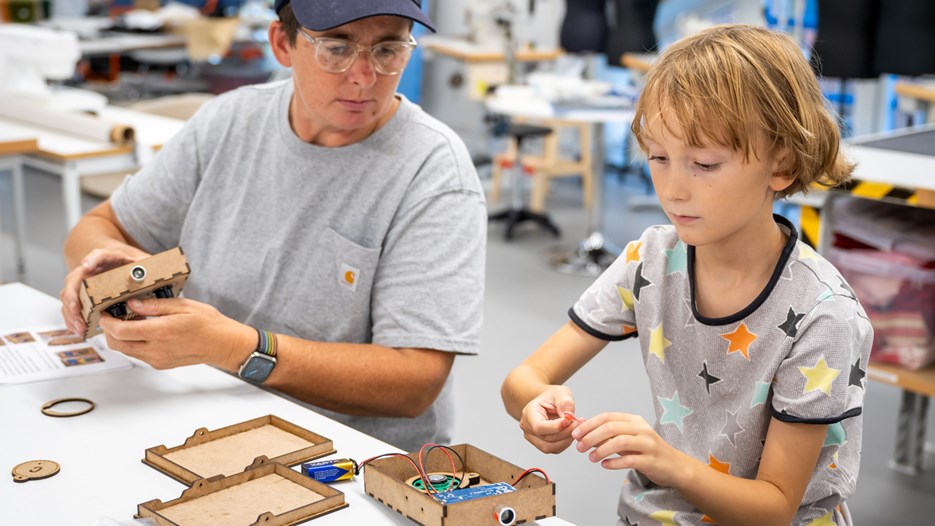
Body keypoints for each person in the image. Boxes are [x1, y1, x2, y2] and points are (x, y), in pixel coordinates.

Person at [60, 0, 487, 452]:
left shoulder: (434, 172)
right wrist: (116, 266)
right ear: (283, 44)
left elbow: (415, 382)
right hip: (207, 415)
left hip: (349, 455)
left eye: (388, 50)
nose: (365, 77)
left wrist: (237, 348)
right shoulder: (228, 121)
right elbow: (99, 226)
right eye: (336, 48)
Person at [501, 24, 872, 525]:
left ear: (781, 165)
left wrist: (667, 462)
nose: (673, 188)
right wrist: (535, 402)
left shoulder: (822, 315)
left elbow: (775, 507)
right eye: (658, 158)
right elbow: (523, 378)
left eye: (704, 163)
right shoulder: (651, 259)